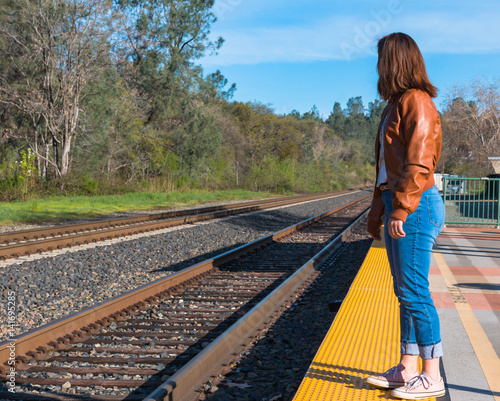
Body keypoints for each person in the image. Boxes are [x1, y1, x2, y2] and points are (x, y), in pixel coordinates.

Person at [364, 32, 446, 400]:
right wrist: (378, 209)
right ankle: (408, 367)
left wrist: (402, 206)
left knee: (415, 291)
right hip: (403, 205)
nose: (378, 66)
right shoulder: (395, 105)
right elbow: (387, 169)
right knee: (404, 291)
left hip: (417, 205)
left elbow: (420, 160)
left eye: (382, 58)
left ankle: (433, 375)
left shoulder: (417, 102)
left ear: (395, 61)